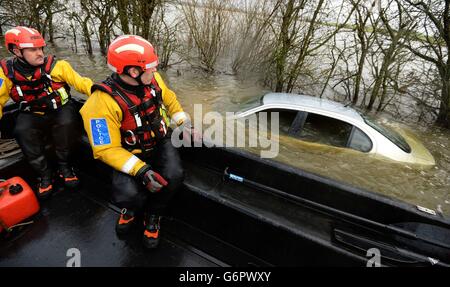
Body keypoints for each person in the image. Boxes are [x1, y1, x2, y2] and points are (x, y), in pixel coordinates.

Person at [80, 35, 189, 249]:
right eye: (151, 68)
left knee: (175, 175)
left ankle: (154, 216)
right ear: (133, 71)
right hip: (128, 152)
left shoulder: (153, 80)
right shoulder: (100, 103)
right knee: (128, 194)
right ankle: (129, 210)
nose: (155, 72)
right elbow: (105, 149)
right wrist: (141, 170)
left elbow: (170, 99)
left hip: (159, 140)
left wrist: (184, 122)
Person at [0, 26, 93, 199]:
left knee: (67, 124)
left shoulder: (59, 66)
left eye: (41, 48)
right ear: (16, 51)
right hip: (31, 113)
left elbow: (82, 83)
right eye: (33, 50)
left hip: (61, 109)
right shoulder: (5, 73)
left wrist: (100, 91)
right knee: (22, 131)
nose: (40, 53)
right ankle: (44, 175)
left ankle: (65, 167)